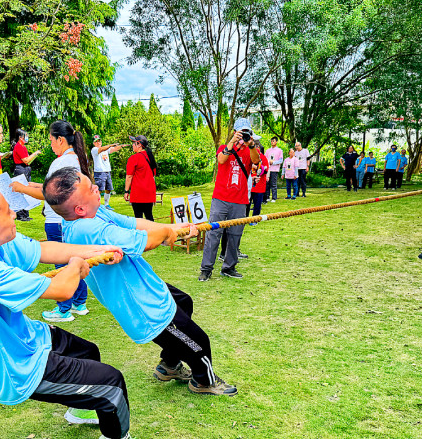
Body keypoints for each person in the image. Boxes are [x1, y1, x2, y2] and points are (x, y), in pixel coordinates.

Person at [0, 181, 152, 439]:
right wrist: (75, 267)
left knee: (87, 351)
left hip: (25, 336)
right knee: (111, 384)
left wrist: (102, 248)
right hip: (10, 366)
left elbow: (44, 249)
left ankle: (80, 407)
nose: (15, 214)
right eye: (8, 212)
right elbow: (62, 289)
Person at [44, 168, 238, 396]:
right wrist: (167, 234)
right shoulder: (87, 228)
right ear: (79, 209)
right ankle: (204, 381)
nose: (97, 187)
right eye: (91, 188)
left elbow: (132, 223)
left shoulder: (94, 213)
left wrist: (173, 228)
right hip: (141, 305)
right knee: (199, 344)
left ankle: (169, 365)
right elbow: (142, 240)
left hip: (146, 286)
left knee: (184, 302)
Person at [11, 120, 91, 323]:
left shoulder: (61, 162)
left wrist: (21, 189)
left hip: (57, 220)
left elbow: (49, 194)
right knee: (74, 258)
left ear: (61, 139)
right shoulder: (75, 159)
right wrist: (32, 184)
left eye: (51, 140)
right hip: (68, 219)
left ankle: (63, 308)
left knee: (61, 264)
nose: (51, 144)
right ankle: (79, 302)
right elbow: (52, 187)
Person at [197, 119, 261, 281]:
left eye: (247, 132)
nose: (244, 136)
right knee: (213, 234)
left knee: (235, 234)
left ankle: (229, 267)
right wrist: (233, 142)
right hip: (220, 198)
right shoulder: (224, 148)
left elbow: (255, 161)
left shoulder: (250, 150)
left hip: (240, 201)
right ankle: (206, 269)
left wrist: (252, 144)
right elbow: (221, 160)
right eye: (241, 132)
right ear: (234, 132)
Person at [124, 135, 157, 221]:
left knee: (138, 219)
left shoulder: (133, 158)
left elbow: (129, 176)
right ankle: (154, 233)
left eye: (133, 143)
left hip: (138, 193)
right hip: (149, 192)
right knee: (149, 216)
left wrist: (126, 191)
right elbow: (153, 175)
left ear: (139, 144)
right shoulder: (150, 157)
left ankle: (142, 234)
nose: (132, 145)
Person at [12, 128, 40, 221]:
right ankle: (20, 215)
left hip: (26, 168)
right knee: (21, 191)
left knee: (27, 191)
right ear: (20, 137)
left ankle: (26, 213)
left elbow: (28, 161)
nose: (27, 137)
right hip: (20, 169)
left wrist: (34, 156)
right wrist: (35, 153)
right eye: (26, 136)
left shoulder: (23, 147)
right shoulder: (18, 147)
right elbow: (26, 160)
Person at [91, 135, 122, 210]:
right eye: (96, 141)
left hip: (107, 171)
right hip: (99, 172)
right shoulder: (94, 149)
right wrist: (110, 145)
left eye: (99, 141)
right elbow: (101, 149)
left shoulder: (105, 150)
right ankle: (94, 204)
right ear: (94, 143)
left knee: (109, 188)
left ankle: (106, 204)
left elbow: (114, 149)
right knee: (99, 189)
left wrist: (122, 146)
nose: (98, 142)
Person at [264, 136, 283, 202]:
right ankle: (267, 197)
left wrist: (273, 162)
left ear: (276, 142)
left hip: (275, 169)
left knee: (273, 184)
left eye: (273, 141)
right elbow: (265, 159)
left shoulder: (279, 150)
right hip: (268, 169)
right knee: (267, 183)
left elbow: (281, 160)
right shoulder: (268, 150)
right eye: (271, 141)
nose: (272, 142)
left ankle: (274, 197)